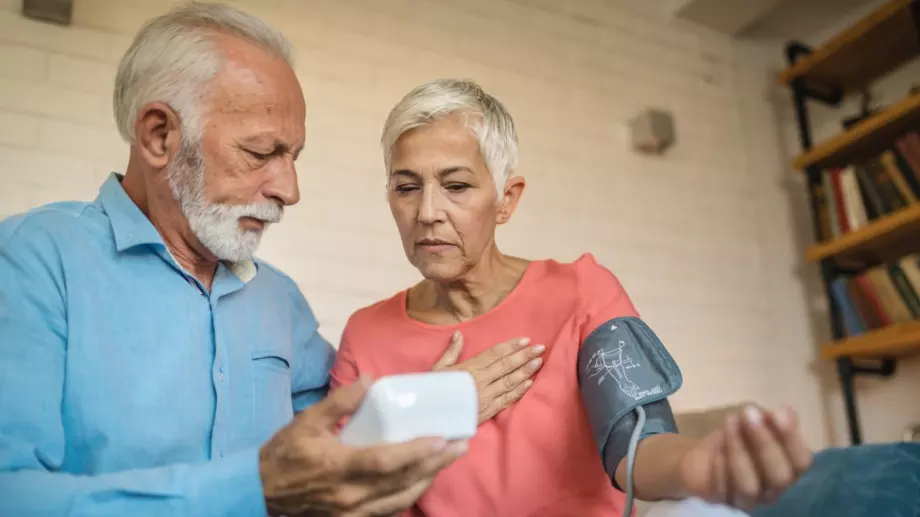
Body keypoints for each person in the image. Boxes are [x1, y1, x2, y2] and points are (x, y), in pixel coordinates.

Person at [0, 4, 540, 516]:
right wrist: (255, 488)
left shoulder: (279, 300)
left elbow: (338, 447)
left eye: (293, 156)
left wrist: (429, 402)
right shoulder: (34, 262)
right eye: (261, 153)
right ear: (159, 135)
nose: (289, 188)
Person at [329, 78, 816, 516]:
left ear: (507, 199)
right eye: (406, 187)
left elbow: (636, 442)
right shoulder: (366, 334)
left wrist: (701, 468)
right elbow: (339, 498)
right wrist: (430, 410)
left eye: (456, 186)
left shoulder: (581, 291)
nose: (428, 211)